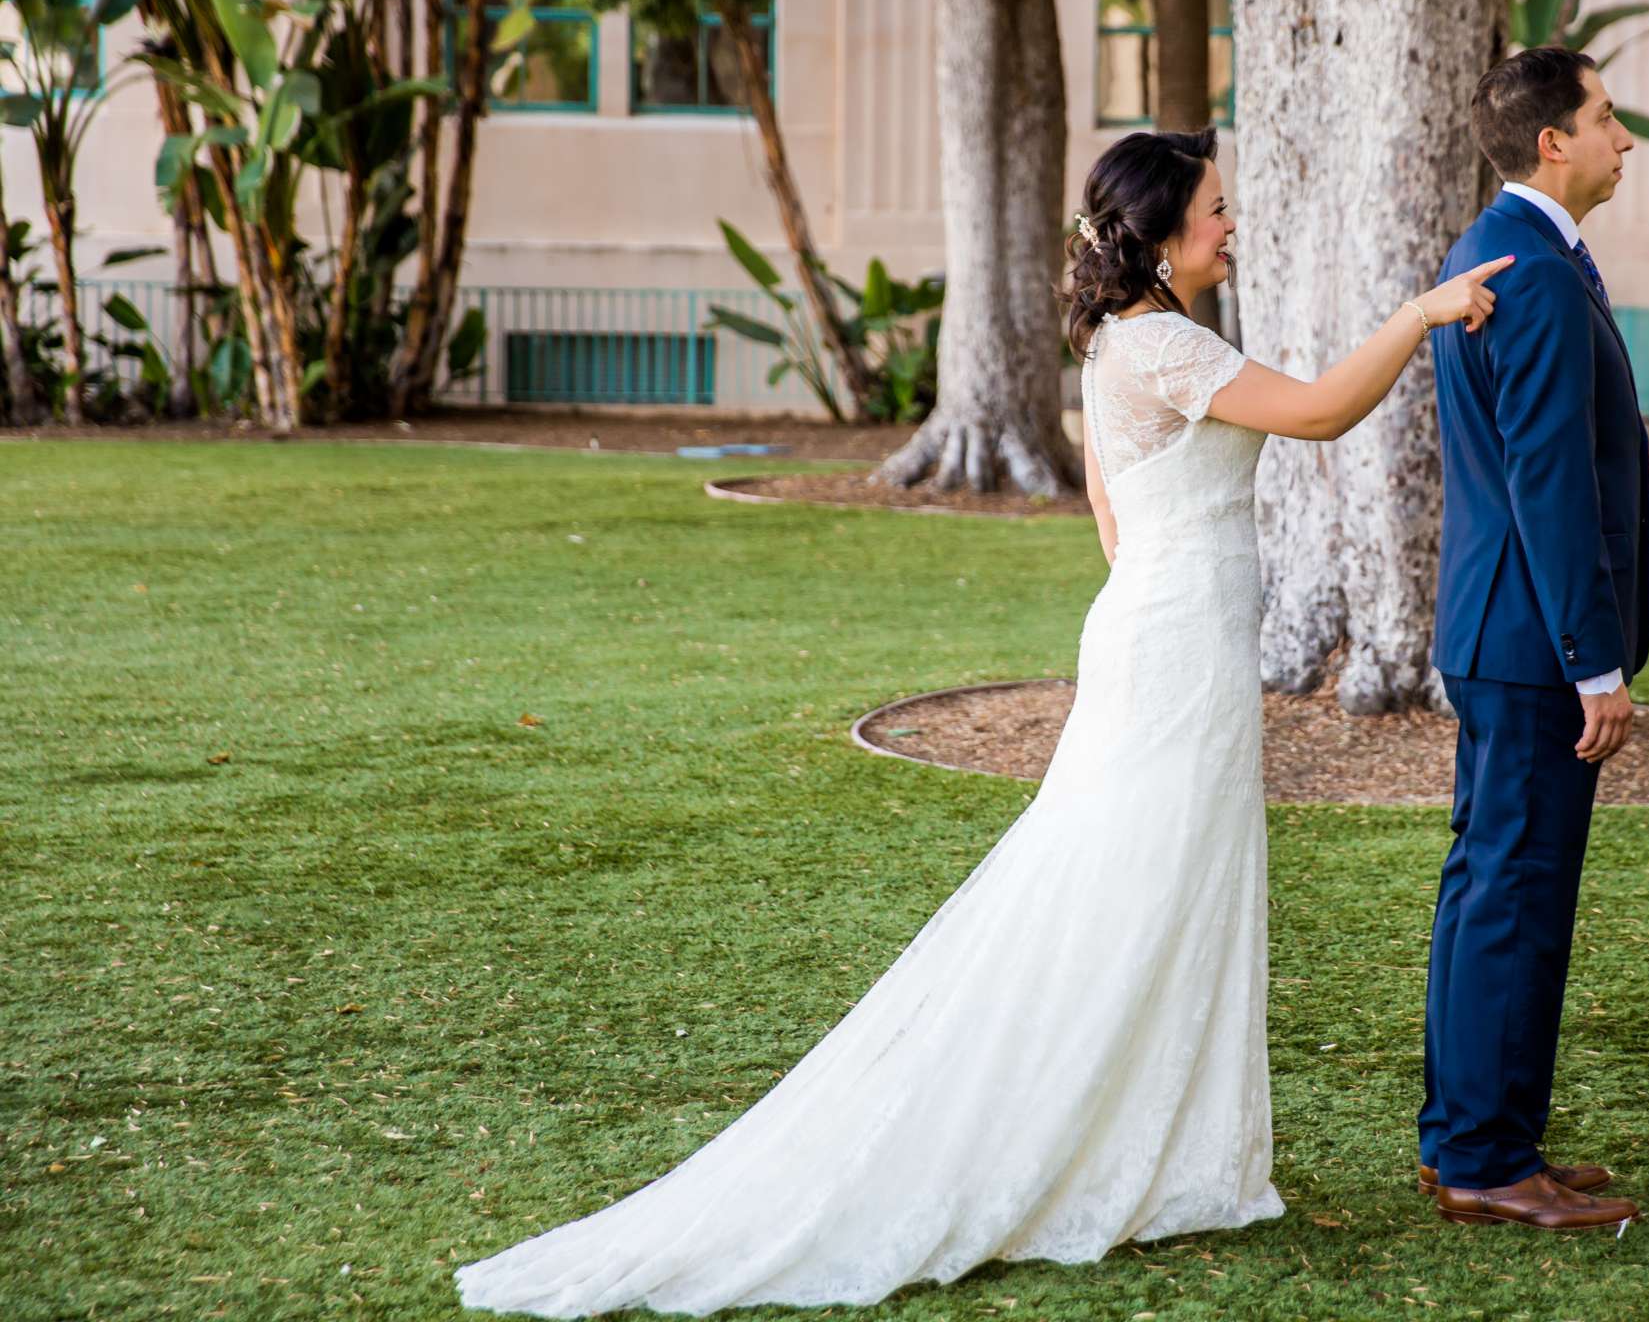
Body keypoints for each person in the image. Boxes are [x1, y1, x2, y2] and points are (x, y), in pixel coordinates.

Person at [453, 126, 1510, 1316]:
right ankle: (1084, 1141)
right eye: (1214, 207)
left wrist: (1175, 593)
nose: (1230, 222)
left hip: (1164, 636)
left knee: (1167, 885)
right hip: (1174, 653)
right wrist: (1420, 314)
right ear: (1161, 233)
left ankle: (1160, 1150)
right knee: (1130, 884)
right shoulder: (1161, 341)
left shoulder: (1128, 341)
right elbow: (1318, 412)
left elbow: (1117, 512)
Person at [1418, 45, 1649, 1233]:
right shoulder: (1540, 276)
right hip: (1529, 640)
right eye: (1608, 118)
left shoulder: (1495, 253)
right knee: (1513, 895)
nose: (1626, 138)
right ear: (1553, 141)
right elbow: (1551, 479)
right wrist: (1594, 662)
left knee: (1489, 889)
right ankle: (1483, 1159)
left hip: (1496, 626)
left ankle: (1472, 1135)